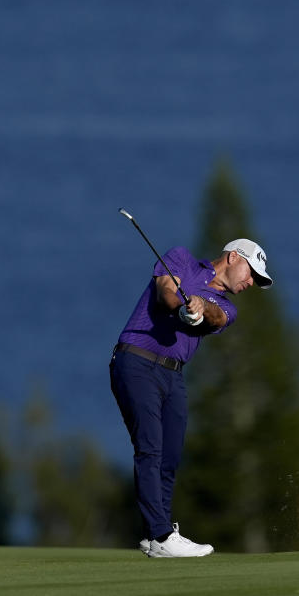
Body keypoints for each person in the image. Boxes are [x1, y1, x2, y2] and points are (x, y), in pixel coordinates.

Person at [109, 238, 273, 557]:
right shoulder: (181, 258)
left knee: (169, 455)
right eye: (251, 271)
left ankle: (156, 535)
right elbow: (165, 293)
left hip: (173, 375)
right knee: (150, 447)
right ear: (232, 257)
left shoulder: (228, 306)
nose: (251, 281)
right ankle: (160, 535)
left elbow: (216, 317)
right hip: (136, 361)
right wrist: (183, 304)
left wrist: (199, 308)